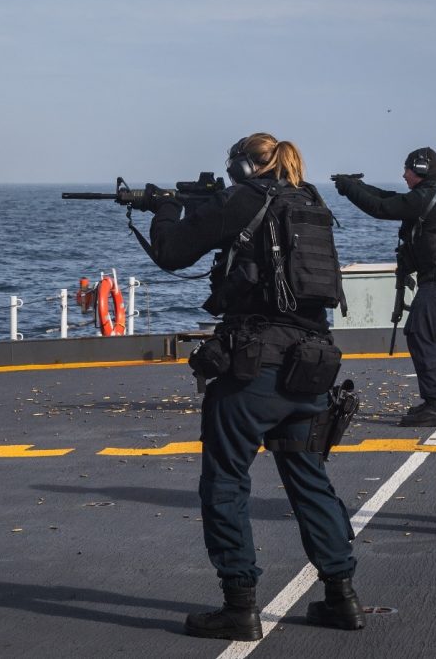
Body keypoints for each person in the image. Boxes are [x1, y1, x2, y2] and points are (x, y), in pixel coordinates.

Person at [142, 133, 364, 640]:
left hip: (255, 365)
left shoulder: (242, 198)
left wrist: (164, 209)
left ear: (243, 166)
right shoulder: (309, 201)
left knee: (225, 481)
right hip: (311, 363)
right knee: (307, 476)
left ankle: (239, 607)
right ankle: (341, 597)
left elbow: (171, 253)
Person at [333, 149, 436, 426]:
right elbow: (392, 199)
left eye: (407, 169)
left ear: (419, 169)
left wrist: (350, 190)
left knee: (420, 334)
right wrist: (358, 185)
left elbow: (382, 208)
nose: (403, 174)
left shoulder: (426, 198)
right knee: (433, 336)